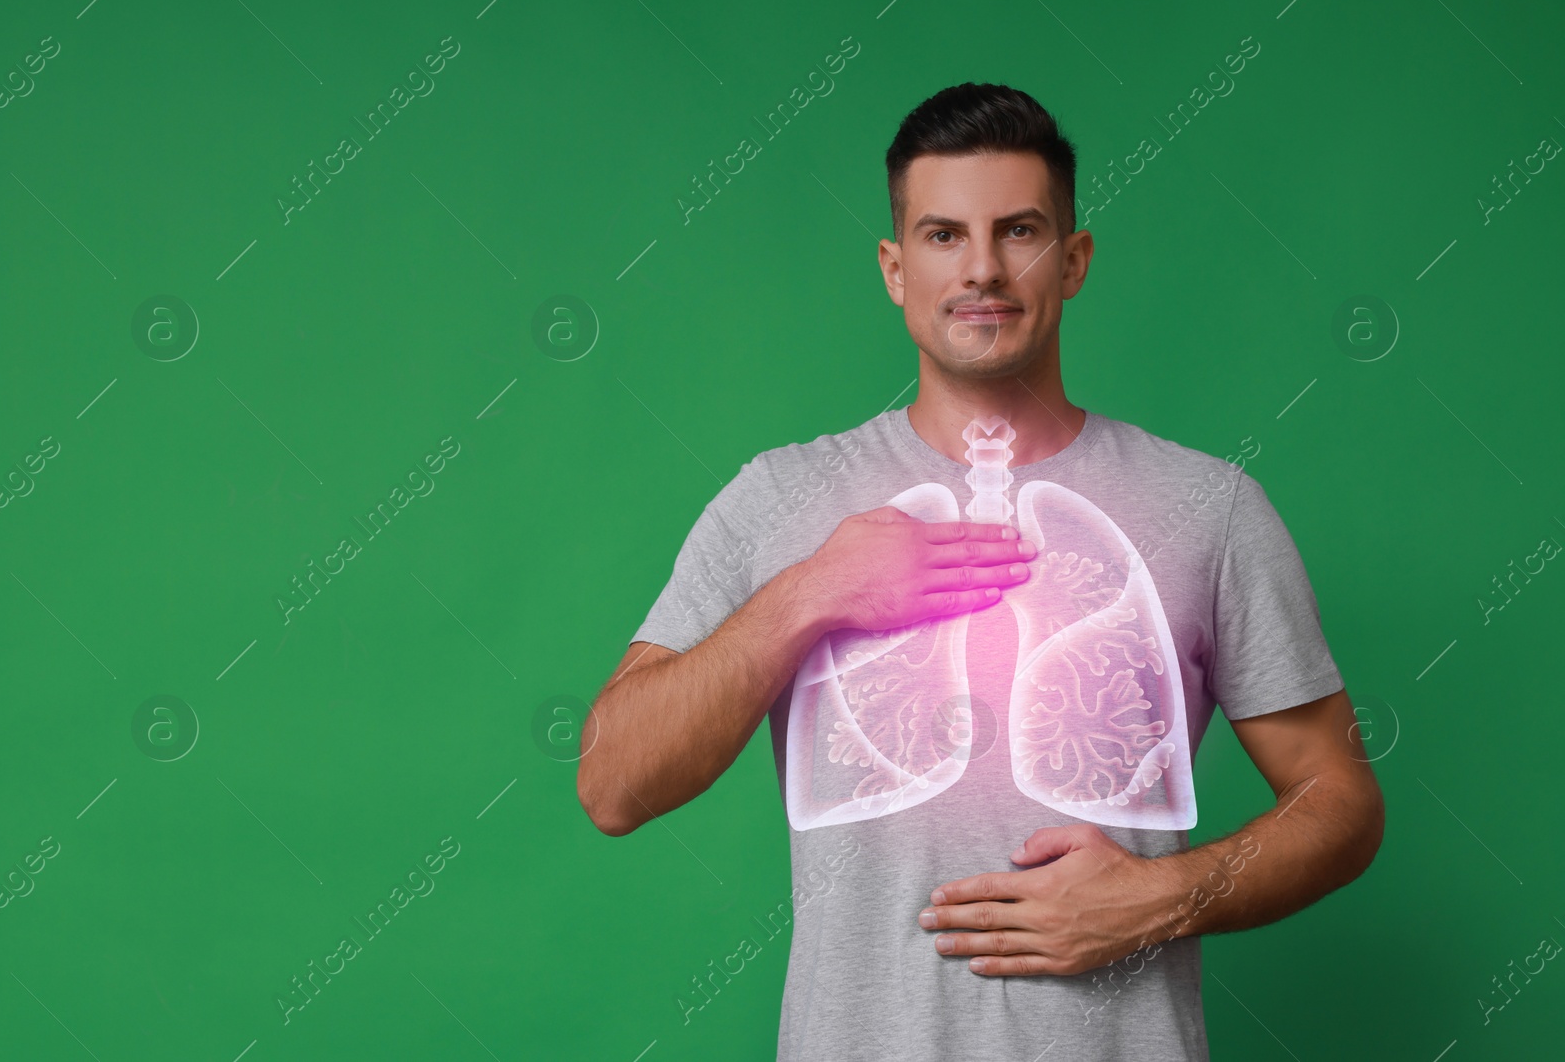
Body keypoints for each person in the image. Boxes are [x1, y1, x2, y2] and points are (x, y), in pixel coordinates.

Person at [578, 82, 1384, 1061]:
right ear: (894, 266)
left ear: (1074, 258)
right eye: (943, 235)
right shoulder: (780, 499)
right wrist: (811, 591)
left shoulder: (1204, 506)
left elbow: (1340, 802)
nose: (984, 269)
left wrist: (1167, 894)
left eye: (1020, 230)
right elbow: (613, 782)